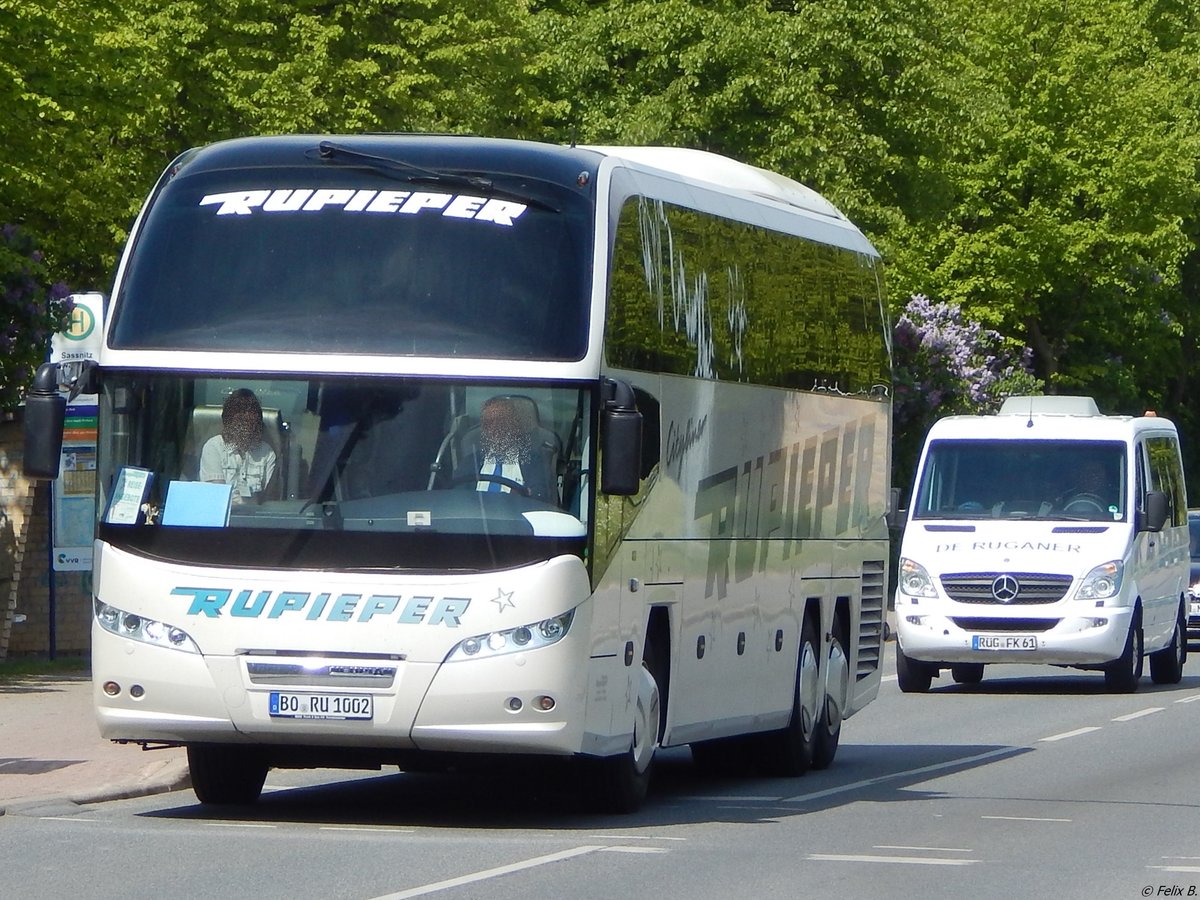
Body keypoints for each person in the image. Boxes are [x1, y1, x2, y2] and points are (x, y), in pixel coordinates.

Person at [455, 396, 556, 502]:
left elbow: (541, 497)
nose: (496, 428)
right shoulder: (470, 463)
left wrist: (523, 497)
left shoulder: (534, 462)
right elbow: (457, 498)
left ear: (514, 426)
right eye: (489, 423)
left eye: (502, 421)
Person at [199, 388, 277, 502]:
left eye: (251, 413)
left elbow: (270, 498)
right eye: (240, 414)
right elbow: (217, 497)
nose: (246, 418)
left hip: (255, 512)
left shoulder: (267, 452)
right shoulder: (214, 447)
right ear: (228, 420)